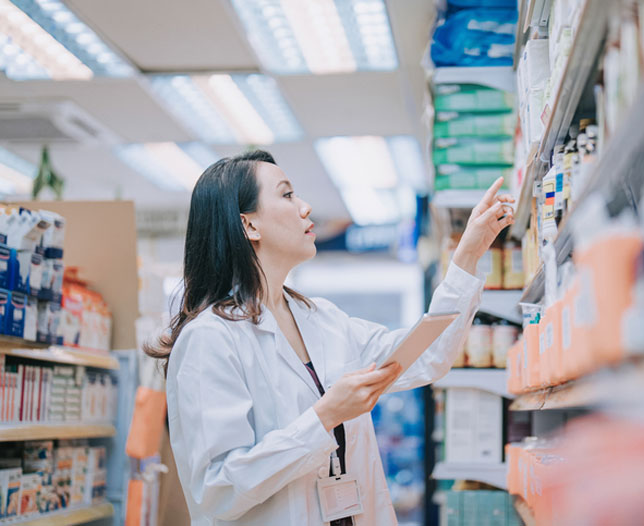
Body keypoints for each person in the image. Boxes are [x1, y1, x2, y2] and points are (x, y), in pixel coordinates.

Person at [145, 150, 515, 525]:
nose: (305, 208)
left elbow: (427, 355)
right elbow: (217, 489)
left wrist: (467, 255)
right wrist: (324, 417)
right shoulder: (211, 339)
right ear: (249, 226)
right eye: (287, 195)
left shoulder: (321, 319)